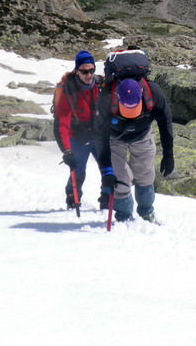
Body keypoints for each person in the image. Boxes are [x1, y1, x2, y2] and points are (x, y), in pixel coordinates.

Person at [96, 75, 174, 222]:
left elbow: (165, 122)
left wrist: (168, 154)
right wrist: (106, 170)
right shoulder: (106, 98)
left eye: (134, 110)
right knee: (120, 178)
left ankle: (147, 212)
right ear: (118, 98)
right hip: (114, 138)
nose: (130, 115)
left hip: (142, 135)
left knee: (145, 175)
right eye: (126, 110)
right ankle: (124, 217)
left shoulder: (154, 93)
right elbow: (100, 137)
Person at [53, 50, 103, 210]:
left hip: (98, 133)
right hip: (78, 135)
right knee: (78, 168)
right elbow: (61, 122)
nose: (89, 75)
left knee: (108, 168)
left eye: (91, 70)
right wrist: (67, 151)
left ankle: (107, 200)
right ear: (77, 71)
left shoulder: (100, 84)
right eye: (84, 71)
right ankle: (72, 198)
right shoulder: (69, 90)